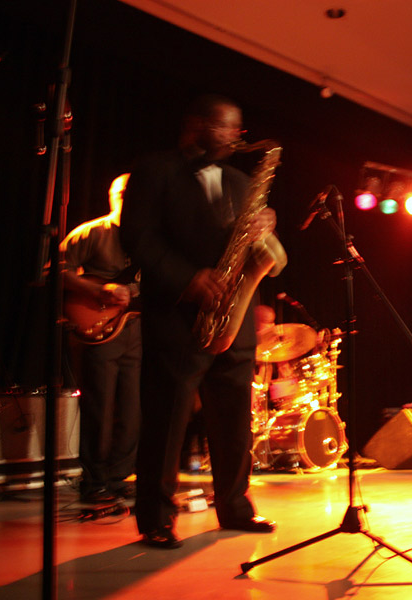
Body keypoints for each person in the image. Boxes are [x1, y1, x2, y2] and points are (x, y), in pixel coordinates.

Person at [120, 94, 281, 548]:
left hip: (234, 315)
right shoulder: (154, 169)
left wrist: (265, 224)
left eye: (238, 128)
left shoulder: (240, 180)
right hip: (177, 316)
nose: (236, 136)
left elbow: (248, 244)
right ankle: (155, 516)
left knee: (234, 421)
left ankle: (235, 506)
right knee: (166, 420)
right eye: (226, 127)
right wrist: (188, 279)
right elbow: (138, 238)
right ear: (195, 125)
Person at [61, 173, 140, 503]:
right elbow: (56, 270)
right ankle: (94, 483)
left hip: (135, 329)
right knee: (99, 409)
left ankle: (118, 477)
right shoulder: (92, 232)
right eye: (123, 193)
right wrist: (98, 291)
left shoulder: (146, 238)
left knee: (133, 410)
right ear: (112, 196)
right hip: (98, 329)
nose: (128, 199)